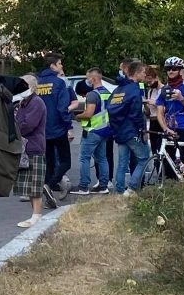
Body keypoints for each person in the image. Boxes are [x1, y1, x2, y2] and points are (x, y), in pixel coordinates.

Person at [37, 52, 74, 208]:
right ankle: (50, 185)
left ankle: (49, 199)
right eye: (59, 63)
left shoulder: (38, 83)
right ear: (53, 66)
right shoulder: (59, 83)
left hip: (43, 129)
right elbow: (62, 108)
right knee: (66, 162)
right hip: (58, 128)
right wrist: (69, 127)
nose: (61, 66)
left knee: (50, 164)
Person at [109, 60, 150, 195]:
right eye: (144, 72)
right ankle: (132, 188)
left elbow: (110, 109)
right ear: (137, 73)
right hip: (131, 131)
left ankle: (119, 191)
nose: (145, 75)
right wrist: (143, 130)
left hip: (119, 132)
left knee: (122, 163)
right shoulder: (134, 89)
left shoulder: (118, 90)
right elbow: (136, 113)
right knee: (144, 157)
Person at [70, 68, 111, 196]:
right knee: (102, 159)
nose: (86, 81)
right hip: (104, 130)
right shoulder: (107, 92)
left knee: (84, 158)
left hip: (92, 131)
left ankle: (83, 186)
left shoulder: (92, 94)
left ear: (93, 79)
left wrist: (77, 116)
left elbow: (88, 114)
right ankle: (103, 186)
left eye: (88, 78)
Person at [13, 75, 47, 227]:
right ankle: (34, 215)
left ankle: (36, 216)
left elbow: (28, 125)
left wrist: (14, 129)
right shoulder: (23, 102)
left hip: (33, 146)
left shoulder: (36, 102)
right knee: (28, 185)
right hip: (26, 147)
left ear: (31, 87)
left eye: (23, 85)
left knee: (35, 184)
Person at [155, 56, 184, 170]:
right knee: (167, 161)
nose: (170, 71)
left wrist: (182, 99)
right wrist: (165, 128)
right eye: (168, 69)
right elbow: (159, 113)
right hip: (169, 129)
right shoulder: (163, 90)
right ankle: (170, 185)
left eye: (174, 68)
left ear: (180, 70)